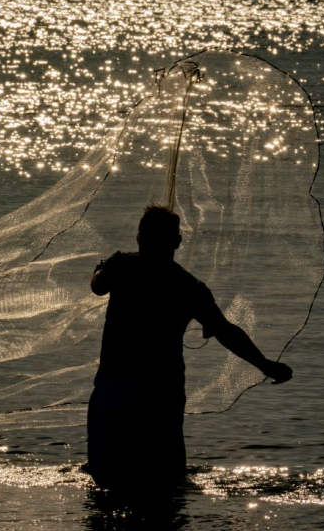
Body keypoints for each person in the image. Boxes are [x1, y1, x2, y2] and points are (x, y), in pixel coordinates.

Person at [86, 204, 292, 491]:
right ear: (177, 242)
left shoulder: (121, 266)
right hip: (162, 389)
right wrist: (266, 365)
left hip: (115, 385)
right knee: (166, 477)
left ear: (138, 238)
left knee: (106, 476)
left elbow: (97, 286)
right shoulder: (189, 287)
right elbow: (226, 332)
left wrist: (99, 270)